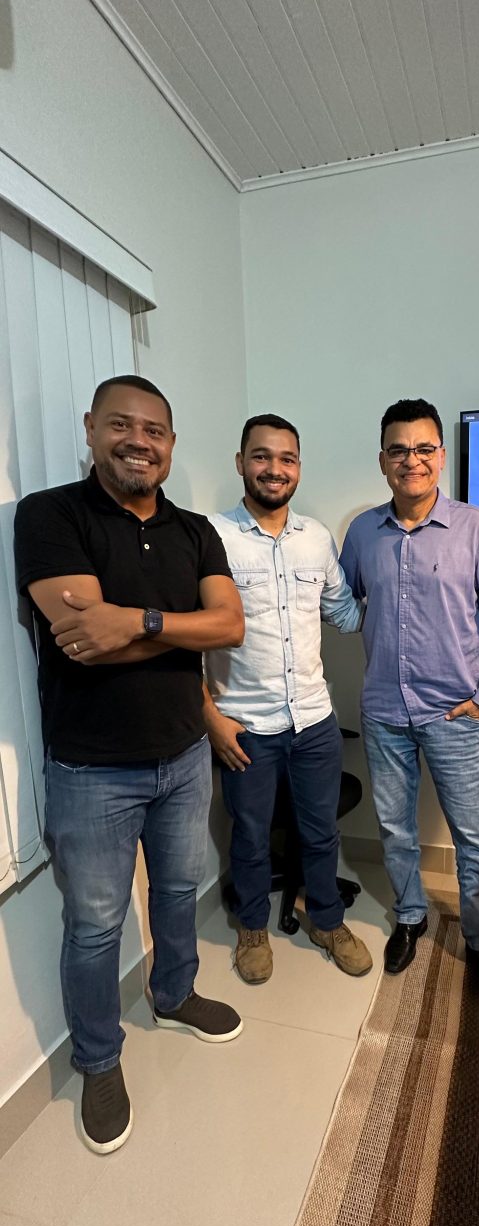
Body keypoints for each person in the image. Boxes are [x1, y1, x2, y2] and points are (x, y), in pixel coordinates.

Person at [14, 375, 246, 1156]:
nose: (138, 441)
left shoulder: (194, 530)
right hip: (92, 770)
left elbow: (230, 625)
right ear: (91, 428)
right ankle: (98, 1058)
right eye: (121, 425)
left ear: (171, 445)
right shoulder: (50, 515)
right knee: (94, 927)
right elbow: (84, 638)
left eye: (154, 431)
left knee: (179, 890)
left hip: (184, 753)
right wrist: (181, 627)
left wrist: (137, 620)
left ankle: (174, 992)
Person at [339, 398, 479, 1003]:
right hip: (384, 713)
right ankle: (410, 916)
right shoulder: (363, 533)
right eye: (399, 450)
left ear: (441, 457)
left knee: (474, 842)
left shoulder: (476, 529)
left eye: (424, 448)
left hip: (456, 716)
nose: (412, 460)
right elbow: (343, 605)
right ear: (382, 460)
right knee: (395, 829)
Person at [203, 413, 372, 983]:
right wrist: (210, 718)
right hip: (246, 725)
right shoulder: (211, 538)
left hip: (314, 720)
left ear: (298, 467)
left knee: (320, 831)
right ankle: (252, 927)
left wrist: (403, 592)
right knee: (250, 836)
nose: (274, 469)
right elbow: (188, 637)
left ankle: (327, 919)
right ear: (241, 462)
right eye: (262, 456)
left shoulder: (316, 538)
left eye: (287, 458)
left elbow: (344, 613)